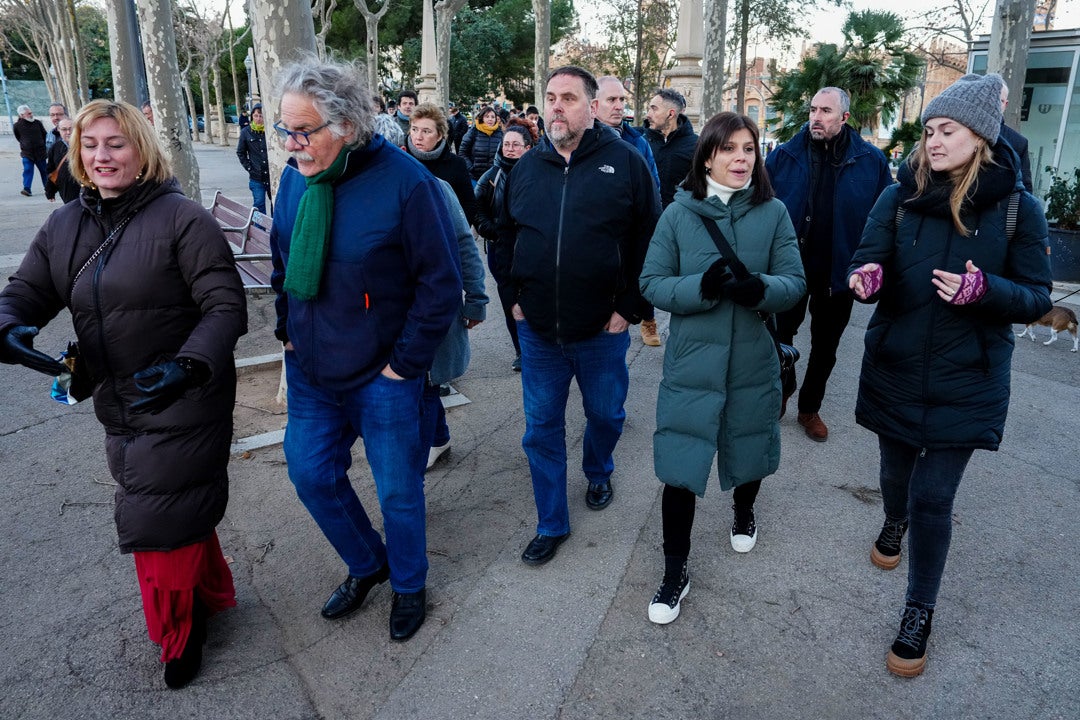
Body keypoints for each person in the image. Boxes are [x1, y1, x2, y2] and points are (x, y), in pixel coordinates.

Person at [0, 99, 247, 688]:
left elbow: (225, 306)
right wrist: (8, 324)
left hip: (186, 395)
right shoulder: (64, 224)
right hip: (117, 399)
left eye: (116, 143)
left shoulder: (184, 219)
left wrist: (188, 366)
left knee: (158, 516)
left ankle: (179, 634)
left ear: (142, 149)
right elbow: (26, 289)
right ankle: (211, 592)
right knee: (175, 505)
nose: (101, 156)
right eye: (89, 145)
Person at [847, 73, 1051, 677]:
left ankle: (919, 610)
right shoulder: (898, 196)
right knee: (895, 477)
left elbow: (1037, 297)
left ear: (980, 137)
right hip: (896, 364)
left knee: (933, 497)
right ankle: (893, 519)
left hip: (970, 377)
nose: (933, 142)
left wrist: (986, 291)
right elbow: (867, 257)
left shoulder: (1018, 209)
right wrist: (866, 278)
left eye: (948, 131)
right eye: (930, 131)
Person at [269, 57, 461, 642]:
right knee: (310, 474)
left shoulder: (408, 183)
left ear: (347, 125)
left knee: (399, 491)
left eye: (303, 132)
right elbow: (282, 260)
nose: (290, 145)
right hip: (311, 368)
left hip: (384, 376)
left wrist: (403, 366)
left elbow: (440, 285)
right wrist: (287, 330)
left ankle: (409, 584)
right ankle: (368, 563)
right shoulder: (296, 178)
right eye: (284, 130)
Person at [639, 112, 805, 624]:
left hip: (752, 358)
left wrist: (762, 289)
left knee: (749, 445)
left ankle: (744, 510)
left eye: (749, 149)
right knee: (680, 464)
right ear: (707, 156)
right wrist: (701, 288)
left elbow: (794, 281)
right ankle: (675, 571)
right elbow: (652, 282)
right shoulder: (677, 214)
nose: (740, 158)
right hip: (693, 362)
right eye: (729, 148)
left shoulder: (774, 211)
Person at [508, 66, 660, 565]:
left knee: (607, 414)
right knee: (541, 428)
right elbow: (506, 236)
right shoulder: (528, 167)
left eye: (568, 98)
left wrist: (629, 308)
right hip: (539, 332)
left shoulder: (626, 162)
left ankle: (598, 470)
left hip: (602, 330)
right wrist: (512, 298)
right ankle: (551, 522)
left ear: (592, 107)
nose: (556, 106)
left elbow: (650, 238)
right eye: (550, 96)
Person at [765, 86, 893, 441]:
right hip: (789, 269)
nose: (816, 117)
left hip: (839, 271)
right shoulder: (784, 156)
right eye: (813, 110)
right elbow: (761, 206)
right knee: (778, 336)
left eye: (825, 111)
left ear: (844, 117)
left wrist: (872, 264)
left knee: (826, 346)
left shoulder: (870, 161)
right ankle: (783, 389)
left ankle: (809, 408)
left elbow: (884, 220)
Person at [423, 183, 488, 470]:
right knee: (419, 385)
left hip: (426, 308)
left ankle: (428, 442)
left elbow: (463, 242)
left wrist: (476, 299)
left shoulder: (432, 186)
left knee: (422, 382)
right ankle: (437, 438)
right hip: (377, 314)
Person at [597, 76, 663, 348]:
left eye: (622, 99)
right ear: (594, 104)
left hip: (632, 233)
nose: (619, 105)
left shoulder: (638, 142)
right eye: (611, 99)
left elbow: (652, 187)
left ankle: (646, 318)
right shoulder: (581, 140)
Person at [475, 119, 537, 372]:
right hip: (500, 250)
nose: (510, 149)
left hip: (532, 249)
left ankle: (539, 347)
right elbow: (477, 209)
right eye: (506, 144)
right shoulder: (491, 176)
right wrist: (493, 231)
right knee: (510, 301)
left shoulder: (538, 173)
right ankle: (521, 350)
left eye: (516, 145)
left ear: (528, 147)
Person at [405, 103, 476, 226]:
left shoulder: (456, 164)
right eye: (414, 129)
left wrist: (453, 232)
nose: (418, 137)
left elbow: (468, 205)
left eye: (426, 131)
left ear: (439, 136)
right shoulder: (401, 160)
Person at [643, 89, 698, 209]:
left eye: (654, 109)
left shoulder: (697, 146)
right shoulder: (641, 142)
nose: (648, 115)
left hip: (680, 216)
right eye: (649, 109)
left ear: (671, 114)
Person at [996, 78, 1033, 193]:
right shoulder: (962, 133)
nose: (994, 104)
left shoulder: (1018, 142)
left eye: (1000, 100)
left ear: (1005, 104)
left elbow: (1025, 186)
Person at [236, 103, 271, 213]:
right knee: (258, 205)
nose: (258, 119)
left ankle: (274, 224)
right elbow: (240, 152)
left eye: (261, 116)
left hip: (271, 176)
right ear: (252, 116)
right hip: (256, 177)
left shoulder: (270, 131)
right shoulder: (246, 132)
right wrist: (249, 168)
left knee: (276, 203)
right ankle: (258, 224)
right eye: (256, 116)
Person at [459, 105, 504, 182]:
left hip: (493, 178)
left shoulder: (500, 133)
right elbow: (462, 153)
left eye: (493, 117)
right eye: (487, 116)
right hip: (474, 177)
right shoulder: (473, 132)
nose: (490, 119)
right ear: (482, 118)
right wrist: (471, 167)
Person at [14, 105, 48, 197]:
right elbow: (18, 137)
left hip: (40, 152)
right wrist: (26, 144)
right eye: (28, 113)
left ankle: (48, 188)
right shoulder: (17, 126)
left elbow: (44, 134)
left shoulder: (37, 123)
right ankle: (27, 189)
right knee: (28, 169)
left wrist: (42, 144)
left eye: (31, 113)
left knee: (44, 171)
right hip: (27, 153)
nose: (31, 114)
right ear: (22, 115)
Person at [44, 116, 80, 204]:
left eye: (71, 129)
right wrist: (50, 191)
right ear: (58, 130)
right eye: (64, 129)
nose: (68, 132)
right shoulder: (55, 148)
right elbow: (51, 170)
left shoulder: (85, 145)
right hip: (66, 191)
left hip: (86, 189)